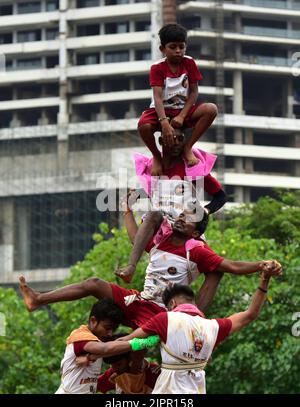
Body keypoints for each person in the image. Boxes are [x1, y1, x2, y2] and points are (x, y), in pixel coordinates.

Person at [19, 207, 282, 329]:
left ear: (197, 230)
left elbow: (231, 265)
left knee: (139, 345)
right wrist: (126, 211)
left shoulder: (196, 249)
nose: (181, 218)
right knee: (94, 284)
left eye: (189, 218)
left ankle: (192, 323)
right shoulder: (162, 239)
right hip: (139, 299)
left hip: (160, 312)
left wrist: (261, 264)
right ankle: (38, 299)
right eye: (181, 214)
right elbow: (137, 238)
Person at [119, 271, 279, 394]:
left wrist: (99, 348)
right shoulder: (213, 327)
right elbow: (250, 314)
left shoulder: (165, 319)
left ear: (172, 304)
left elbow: (128, 341)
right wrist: (265, 280)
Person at [138, 23, 218, 176]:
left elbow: (194, 92)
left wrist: (182, 115)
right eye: (173, 47)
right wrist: (164, 122)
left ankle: (187, 148)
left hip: (183, 110)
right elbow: (157, 97)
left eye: (181, 47)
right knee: (143, 126)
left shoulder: (189, 63)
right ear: (163, 49)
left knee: (211, 109)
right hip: (161, 111)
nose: (178, 51)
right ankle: (156, 156)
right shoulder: (157, 67)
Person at [55, 298, 159, 394]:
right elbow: (106, 349)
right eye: (107, 328)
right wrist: (146, 341)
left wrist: (90, 357)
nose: (110, 333)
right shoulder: (80, 336)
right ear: (93, 321)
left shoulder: (155, 372)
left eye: (113, 329)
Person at [133, 128, 227, 218]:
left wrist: (206, 211)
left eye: (181, 139)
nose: (177, 143)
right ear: (161, 141)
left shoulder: (192, 168)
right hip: (158, 227)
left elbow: (221, 196)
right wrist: (136, 194)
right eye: (171, 139)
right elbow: (155, 192)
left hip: (184, 226)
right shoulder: (153, 167)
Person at [93, 334, 160, 394]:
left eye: (119, 364)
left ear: (131, 359)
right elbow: (93, 386)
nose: (114, 368)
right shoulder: (113, 373)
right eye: (111, 365)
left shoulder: (155, 372)